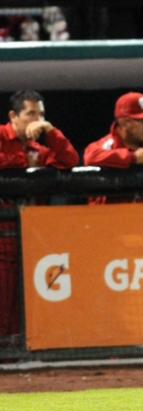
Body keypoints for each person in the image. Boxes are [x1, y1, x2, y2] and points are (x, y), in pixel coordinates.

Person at [0, 90, 79, 339]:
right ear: (13, 116)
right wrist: (23, 163)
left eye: (41, 114)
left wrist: (52, 132)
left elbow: (70, 160)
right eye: (30, 113)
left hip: (25, 243)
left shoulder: (38, 150)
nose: (37, 119)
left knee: (18, 313)